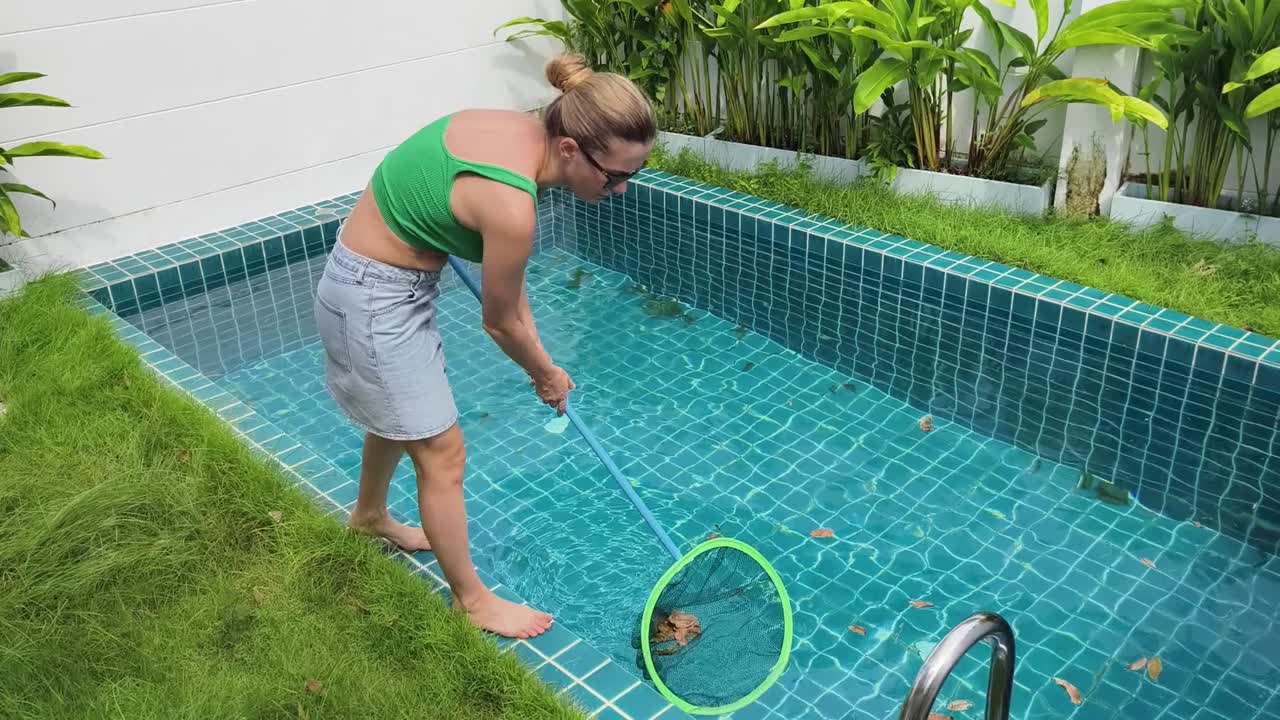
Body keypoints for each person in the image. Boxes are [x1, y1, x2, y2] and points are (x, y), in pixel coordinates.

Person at [311, 53, 656, 640]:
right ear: (571, 148)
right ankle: (470, 602)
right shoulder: (511, 205)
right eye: (614, 175)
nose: (620, 190)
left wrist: (543, 361)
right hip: (375, 299)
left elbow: (510, 298)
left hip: (371, 280)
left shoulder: (519, 133)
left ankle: (369, 517)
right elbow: (499, 323)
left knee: (401, 418)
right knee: (442, 454)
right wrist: (545, 373)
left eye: (632, 176)